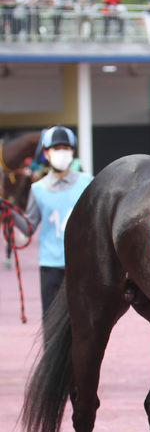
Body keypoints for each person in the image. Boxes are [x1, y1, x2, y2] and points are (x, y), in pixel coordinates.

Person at [10, 126, 93, 316]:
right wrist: (10, 213)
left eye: (65, 147)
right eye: (56, 148)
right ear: (46, 153)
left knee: (84, 323)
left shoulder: (87, 182)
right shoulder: (38, 189)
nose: (61, 152)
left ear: (72, 151)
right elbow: (29, 227)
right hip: (51, 268)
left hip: (82, 265)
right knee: (51, 324)